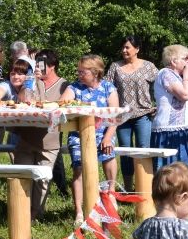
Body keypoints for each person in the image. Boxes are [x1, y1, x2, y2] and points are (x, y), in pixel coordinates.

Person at [60, 55, 119, 226]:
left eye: (82, 71)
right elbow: (62, 103)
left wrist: (108, 137)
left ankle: (111, 193)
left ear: (95, 72)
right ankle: (79, 210)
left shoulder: (109, 87)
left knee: (109, 156)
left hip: (103, 132)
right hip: (79, 134)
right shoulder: (74, 87)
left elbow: (115, 115)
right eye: (78, 71)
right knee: (78, 168)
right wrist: (68, 102)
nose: (78, 74)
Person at [10, 49, 68, 220]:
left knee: (42, 181)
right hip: (26, 138)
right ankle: (20, 213)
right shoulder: (31, 81)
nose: (39, 68)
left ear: (52, 66)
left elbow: (60, 107)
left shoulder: (64, 85)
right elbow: (22, 99)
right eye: (37, 64)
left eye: (43, 64)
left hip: (49, 141)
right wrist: (32, 80)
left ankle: (35, 214)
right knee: (22, 176)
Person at [106, 36, 158, 191]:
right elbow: (107, 88)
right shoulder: (115, 67)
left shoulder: (148, 66)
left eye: (127, 47)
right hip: (123, 116)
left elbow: (162, 85)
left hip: (143, 114)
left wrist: (158, 105)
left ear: (137, 49)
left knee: (143, 149)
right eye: (123, 47)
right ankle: (128, 189)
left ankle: (144, 187)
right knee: (125, 150)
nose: (124, 50)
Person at [152, 45, 188, 184]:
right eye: (185, 59)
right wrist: (187, 76)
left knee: (185, 170)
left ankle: (187, 196)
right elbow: (184, 95)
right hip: (170, 132)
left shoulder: (179, 78)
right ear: (173, 61)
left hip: (185, 129)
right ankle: (170, 198)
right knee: (172, 172)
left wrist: (185, 78)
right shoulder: (165, 73)